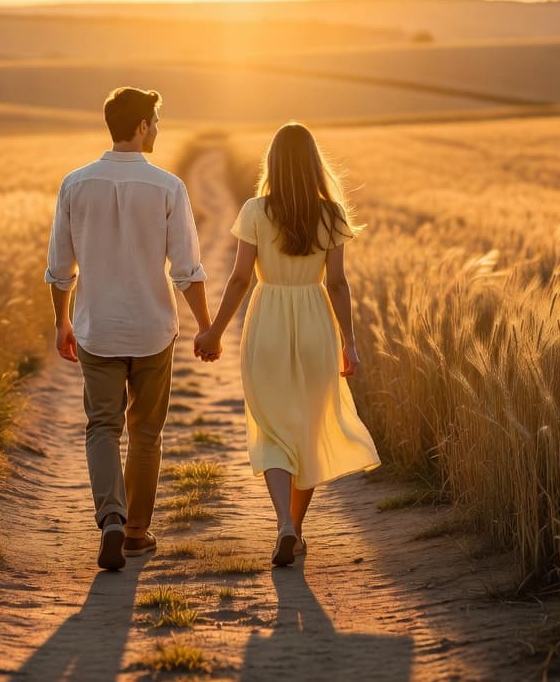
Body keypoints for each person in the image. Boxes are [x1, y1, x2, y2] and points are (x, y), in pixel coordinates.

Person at [195, 122, 381, 567]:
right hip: (316, 322)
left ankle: (282, 525)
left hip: (268, 324)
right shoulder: (331, 215)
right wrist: (349, 343)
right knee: (307, 429)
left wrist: (215, 331)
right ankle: (295, 530)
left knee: (273, 426)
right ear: (314, 163)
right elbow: (337, 283)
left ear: (272, 163)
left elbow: (240, 278)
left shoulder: (256, 210)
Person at [45, 87, 213, 571]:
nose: (158, 130)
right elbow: (187, 270)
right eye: (155, 121)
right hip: (153, 330)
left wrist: (62, 322)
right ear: (141, 126)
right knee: (145, 432)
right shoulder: (168, 187)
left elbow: (60, 268)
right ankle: (137, 535)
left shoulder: (74, 184)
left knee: (102, 425)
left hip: (96, 327)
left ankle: (112, 520)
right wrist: (206, 326)